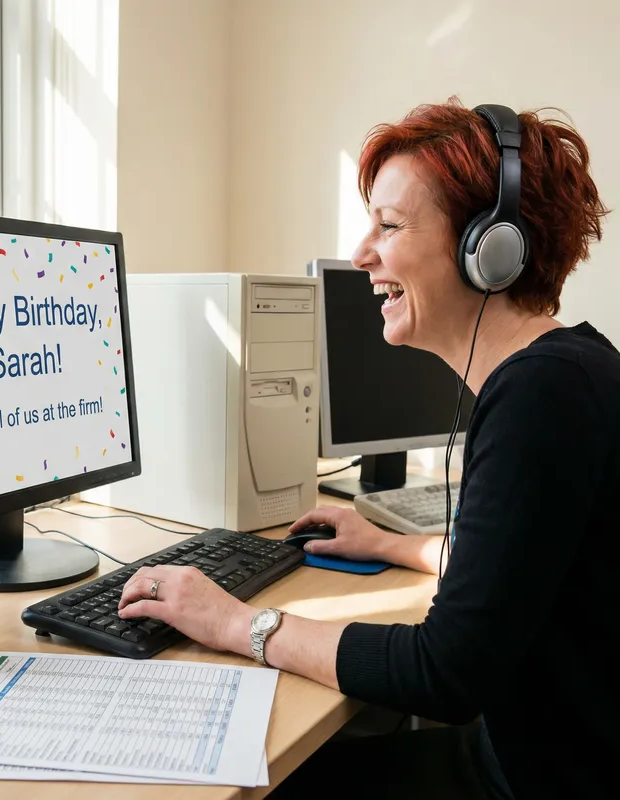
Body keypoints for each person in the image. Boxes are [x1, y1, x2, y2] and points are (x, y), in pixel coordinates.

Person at [118, 97, 618, 799]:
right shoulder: (573, 369)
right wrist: (392, 546)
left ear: (488, 249)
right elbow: (525, 574)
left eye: (388, 225)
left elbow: (443, 672)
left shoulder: (543, 395)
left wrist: (237, 621)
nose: (360, 255)